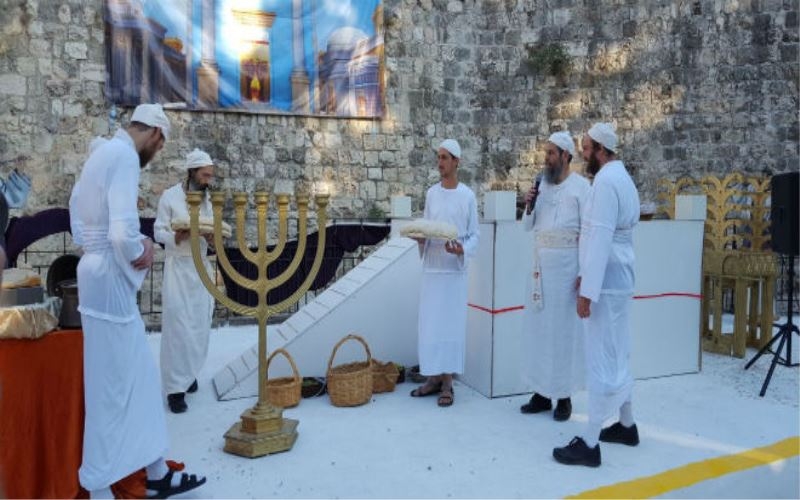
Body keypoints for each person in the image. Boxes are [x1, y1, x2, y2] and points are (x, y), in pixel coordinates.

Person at [69, 104, 206, 497]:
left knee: (122, 379)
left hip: (93, 274)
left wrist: (108, 247)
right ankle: (108, 479)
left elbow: (79, 223)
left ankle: (152, 469)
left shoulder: (98, 155)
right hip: (110, 277)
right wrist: (140, 246)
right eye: (158, 148)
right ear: (155, 135)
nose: (155, 154)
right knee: (124, 382)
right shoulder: (125, 157)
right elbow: (122, 233)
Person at [553, 123, 641, 467]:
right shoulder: (622, 177)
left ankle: (590, 441)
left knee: (602, 358)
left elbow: (600, 238)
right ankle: (627, 425)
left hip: (605, 285)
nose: (584, 154)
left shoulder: (605, 182)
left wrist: (588, 291)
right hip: (617, 279)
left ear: (602, 149)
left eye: (587, 148)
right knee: (618, 352)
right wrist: (584, 275)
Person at [519, 131, 590, 421]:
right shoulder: (542, 187)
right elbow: (527, 227)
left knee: (563, 334)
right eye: (545, 153)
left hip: (567, 271)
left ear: (565, 156)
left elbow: (588, 232)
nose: (545, 158)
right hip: (540, 272)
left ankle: (563, 396)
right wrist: (528, 204)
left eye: (551, 153)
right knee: (539, 332)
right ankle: (540, 393)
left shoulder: (582, 188)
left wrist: (585, 272)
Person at [409, 139, 480, 407]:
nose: (440, 163)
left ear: (456, 162)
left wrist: (462, 249)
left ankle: (448, 383)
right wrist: (421, 241)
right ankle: (433, 378)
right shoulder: (431, 194)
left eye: (445, 158)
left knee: (449, 326)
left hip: (453, 273)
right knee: (430, 326)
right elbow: (428, 228)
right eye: (438, 157)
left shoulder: (467, 196)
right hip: (432, 270)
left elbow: (475, 235)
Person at [154, 149, 216, 414]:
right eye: (204, 175)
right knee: (178, 327)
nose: (208, 181)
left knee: (200, 323)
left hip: (201, 269)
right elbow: (158, 231)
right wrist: (176, 236)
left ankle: (189, 374)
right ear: (192, 173)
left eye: (210, 176)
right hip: (179, 268)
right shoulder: (169, 197)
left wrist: (213, 238)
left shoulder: (208, 199)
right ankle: (174, 390)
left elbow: (212, 227)